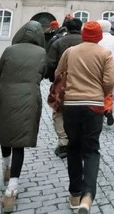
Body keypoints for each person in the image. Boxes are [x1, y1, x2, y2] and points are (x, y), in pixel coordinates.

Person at [52, 21, 114, 213]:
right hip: (94, 106)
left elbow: (58, 73)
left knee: (73, 148)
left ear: (82, 34)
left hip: (71, 105)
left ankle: (74, 194)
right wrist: (100, 92)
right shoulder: (104, 54)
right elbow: (111, 80)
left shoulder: (70, 51)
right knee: (91, 150)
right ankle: (88, 196)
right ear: (98, 37)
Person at [0, 21, 47, 213]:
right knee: (20, 143)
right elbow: (44, 73)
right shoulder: (41, 53)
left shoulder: (9, 49)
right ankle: (11, 190)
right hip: (29, 97)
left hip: (5, 94)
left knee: (5, 131)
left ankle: (5, 167)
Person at [46, 17, 83, 158]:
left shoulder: (59, 42)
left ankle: (63, 143)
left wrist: (52, 78)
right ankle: (78, 141)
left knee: (58, 112)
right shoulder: (86, 43)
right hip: (82, 82)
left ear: (66, 28)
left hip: (62, 82)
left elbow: (50, 63)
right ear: (80, 28)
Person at [97, 20, 114, 126]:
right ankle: (107, 109)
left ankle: (99, 112)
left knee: (98, 91)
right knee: (109, 92)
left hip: (98, 68)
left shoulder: (97, 39)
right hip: (111, 68)